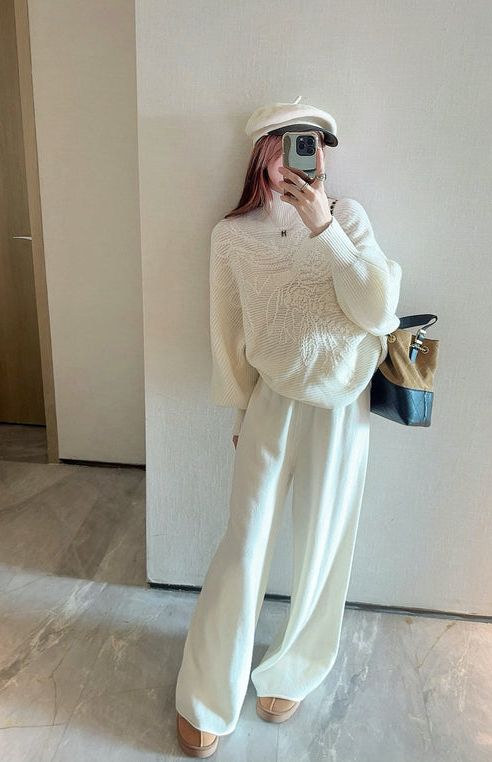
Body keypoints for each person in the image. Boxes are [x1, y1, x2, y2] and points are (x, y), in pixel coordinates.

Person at [175, 99, 402, 757]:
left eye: (317, 143)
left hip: (343, 404)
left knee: (323, 542)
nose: (307, 156)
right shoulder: (231, 236)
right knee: (244, 545)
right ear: (263, 151)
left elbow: (378, 312)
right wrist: (240, 412)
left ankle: (294, 669)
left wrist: (323, 226)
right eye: (293, 142)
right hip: (271, 402)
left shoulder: (346, 218)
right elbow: (228, 336)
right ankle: (206, 691)